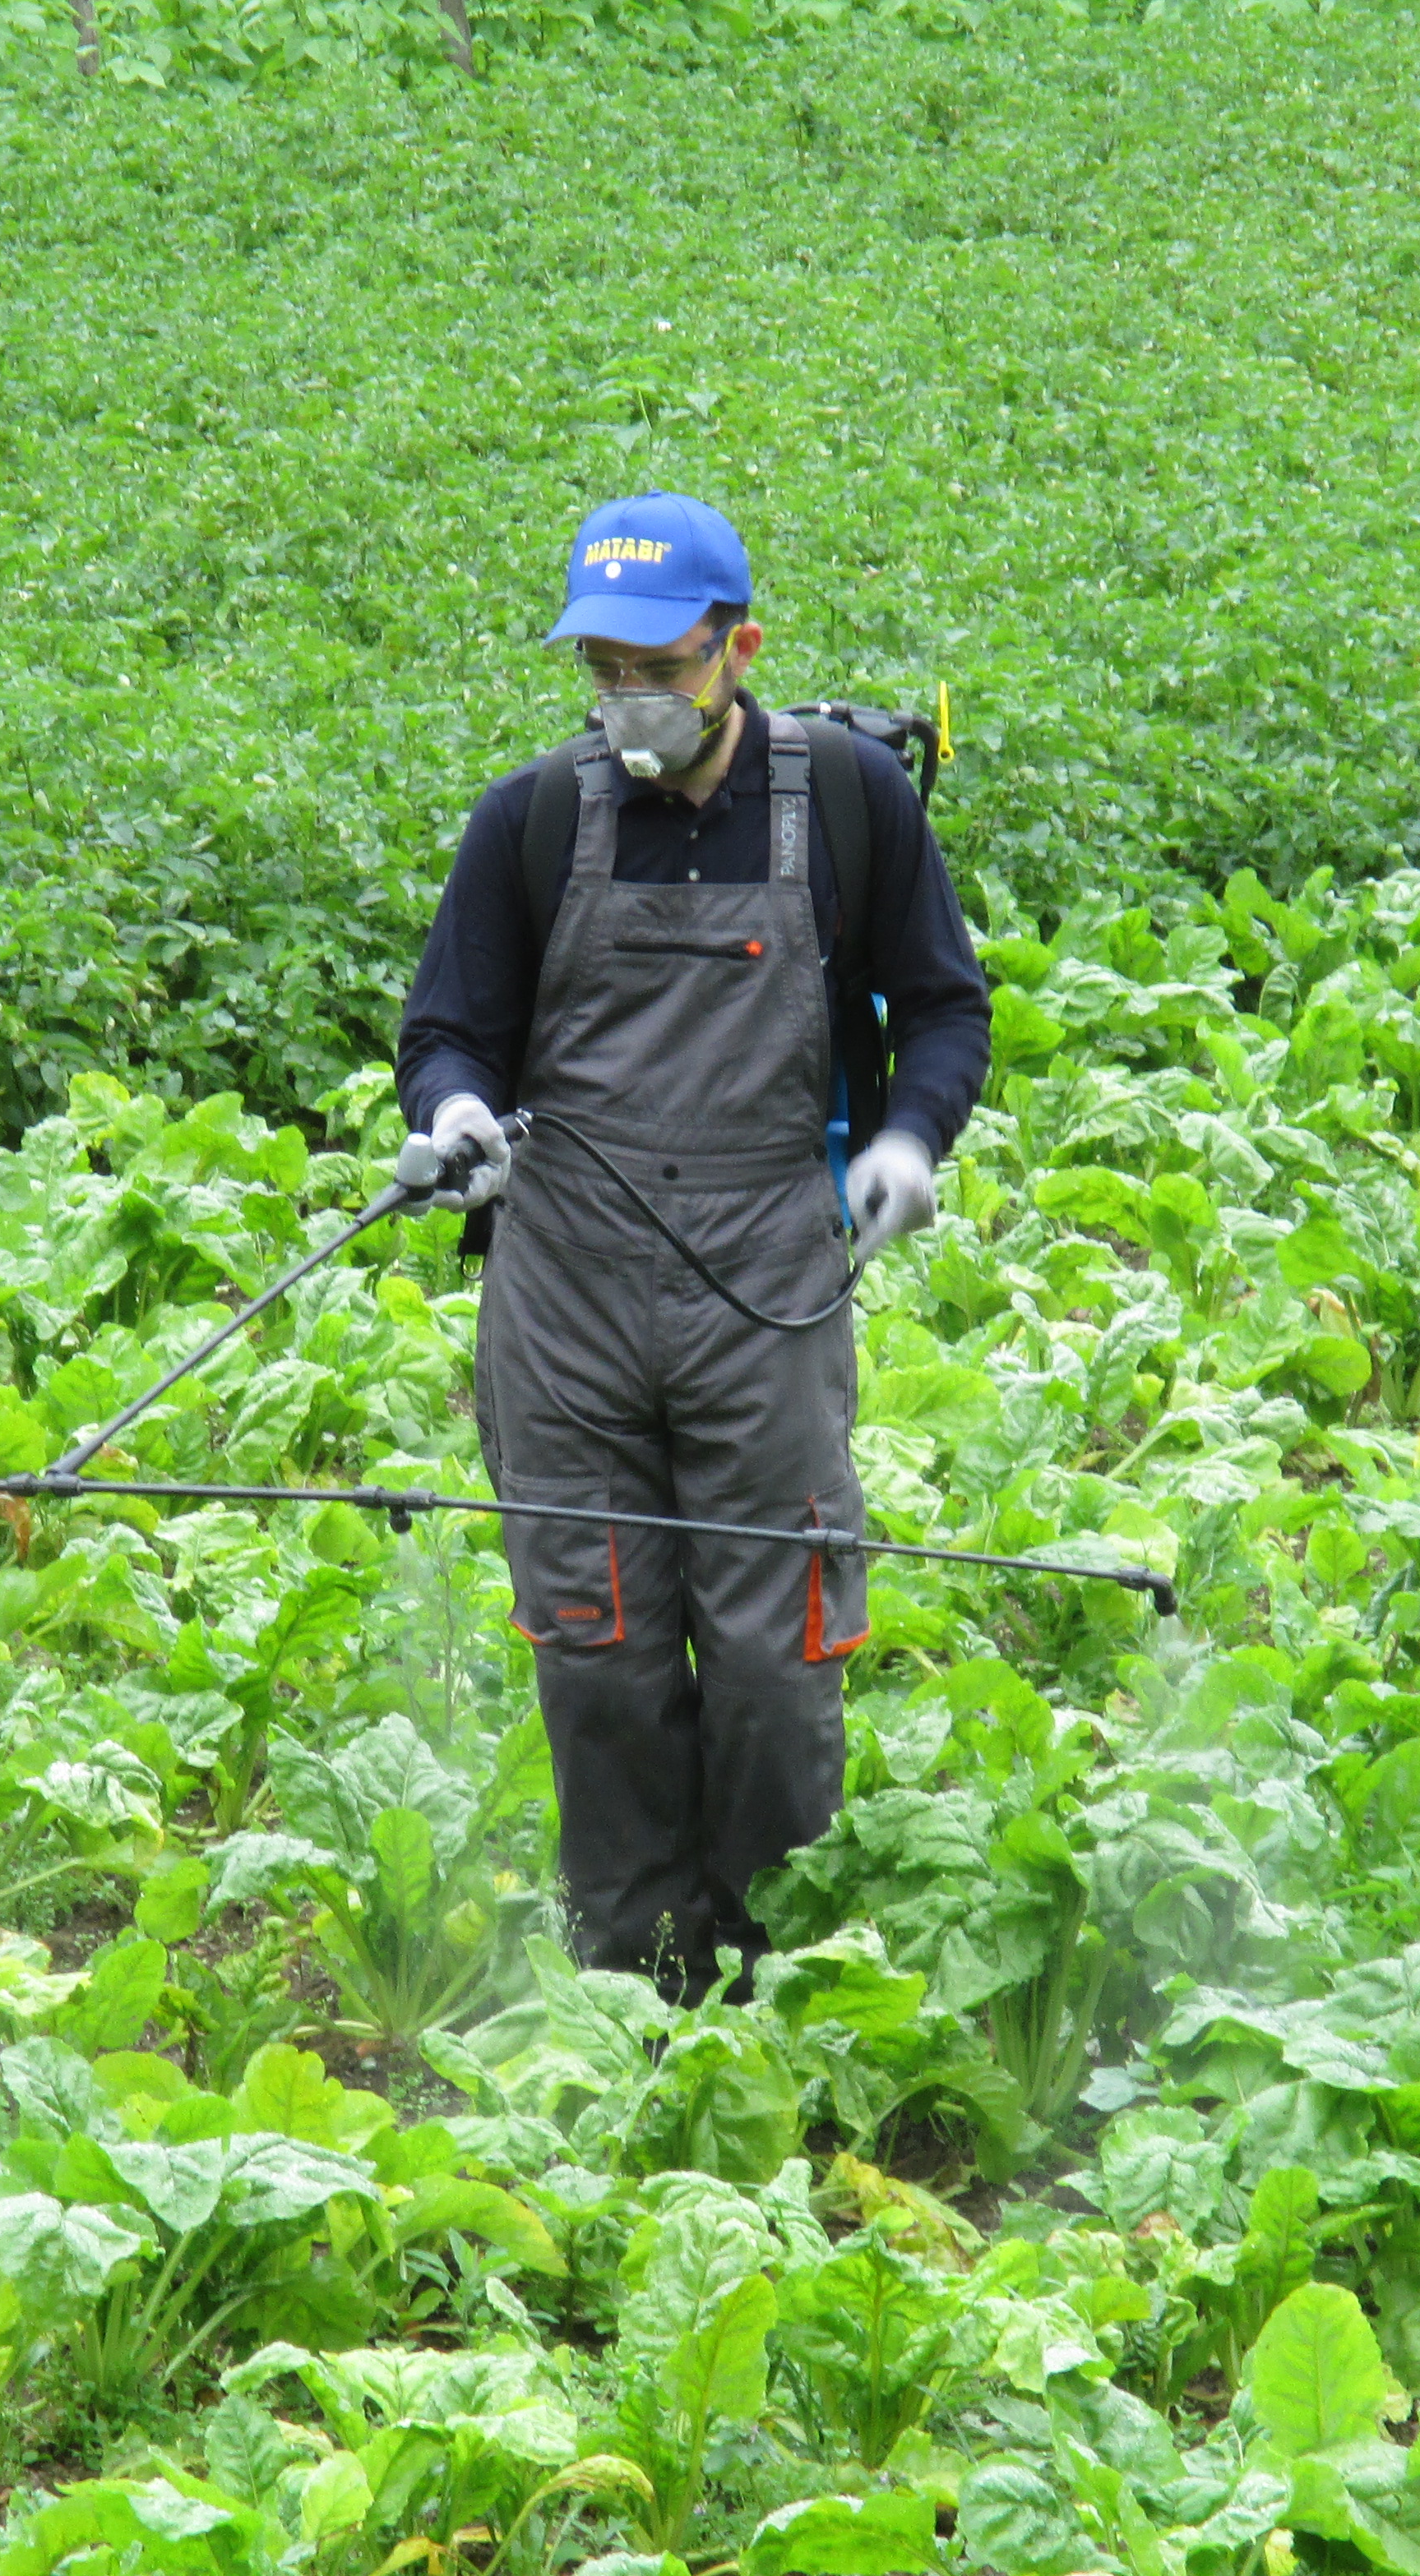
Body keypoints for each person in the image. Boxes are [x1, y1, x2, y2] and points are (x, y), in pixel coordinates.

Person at [394, 492, 992, 2006]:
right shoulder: (533, 818)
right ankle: (637, 1970)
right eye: (601, 669)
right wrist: (457, 1111)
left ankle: (776, 1971)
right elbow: (449, 1026)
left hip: (763, 1288)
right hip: (568, 1290)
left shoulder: (848, 803)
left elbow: (944, 1007)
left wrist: (913, 1138)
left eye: (656, 666)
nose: (629, 700)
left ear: (740, 647)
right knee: (595, 1652)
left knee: (778, 1661)